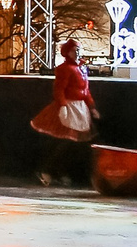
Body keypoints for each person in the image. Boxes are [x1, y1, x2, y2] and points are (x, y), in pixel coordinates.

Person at [28, 37, 95, 184]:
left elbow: (86, 91)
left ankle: (56, 171)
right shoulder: (65, 69)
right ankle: (48, 170)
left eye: (78, 50)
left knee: (73, 145)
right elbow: (59, 90)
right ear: (68, 52)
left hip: (80, 109)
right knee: (65, 143)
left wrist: (92, 106)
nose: (77, 53)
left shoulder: (81, 68)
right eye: (74, 50)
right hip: (69, 108)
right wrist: (63, 105)